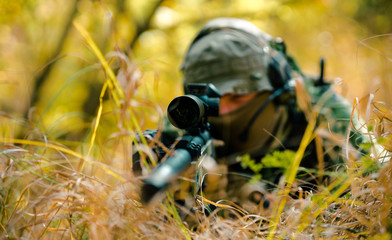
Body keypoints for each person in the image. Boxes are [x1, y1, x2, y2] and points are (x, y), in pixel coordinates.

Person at [137, 18, 366, 206]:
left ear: (277, 83)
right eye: (212, 100)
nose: (224, 110)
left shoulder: (325, 111)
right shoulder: (182, 135)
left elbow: (378, 185)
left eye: (238, 96)